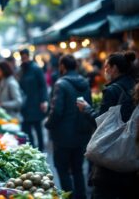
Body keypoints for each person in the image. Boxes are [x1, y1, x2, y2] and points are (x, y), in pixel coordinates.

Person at [77, 51, 137, 199]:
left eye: (106, 67)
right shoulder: (134, 86)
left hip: (111, 155)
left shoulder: (112, 91)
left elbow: (102, 123)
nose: (105, 71)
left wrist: (86, 109)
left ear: (114, 68)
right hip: (131, 154)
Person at [45, 55, 92, 199]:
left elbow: (56, 111)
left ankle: (69, 196)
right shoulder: (85, 82)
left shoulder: (61, 84)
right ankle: (82, 196)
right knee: (78, 169)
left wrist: (48, 124)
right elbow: (88, 106)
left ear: (62, 66)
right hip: (81, 133)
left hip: (63, 136)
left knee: (63, 169)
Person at [18, 48, 48, 151]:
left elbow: (43, 86)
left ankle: (41, 149)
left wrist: (44, 100)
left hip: (36, 103)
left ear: (28, 56)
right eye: (22, 57)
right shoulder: (21, 70)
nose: (24, 58)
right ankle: (32, 148)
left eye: (25, 56)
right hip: (25, 105)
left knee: (38, 128)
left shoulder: (36, 69)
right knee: (27, 129)